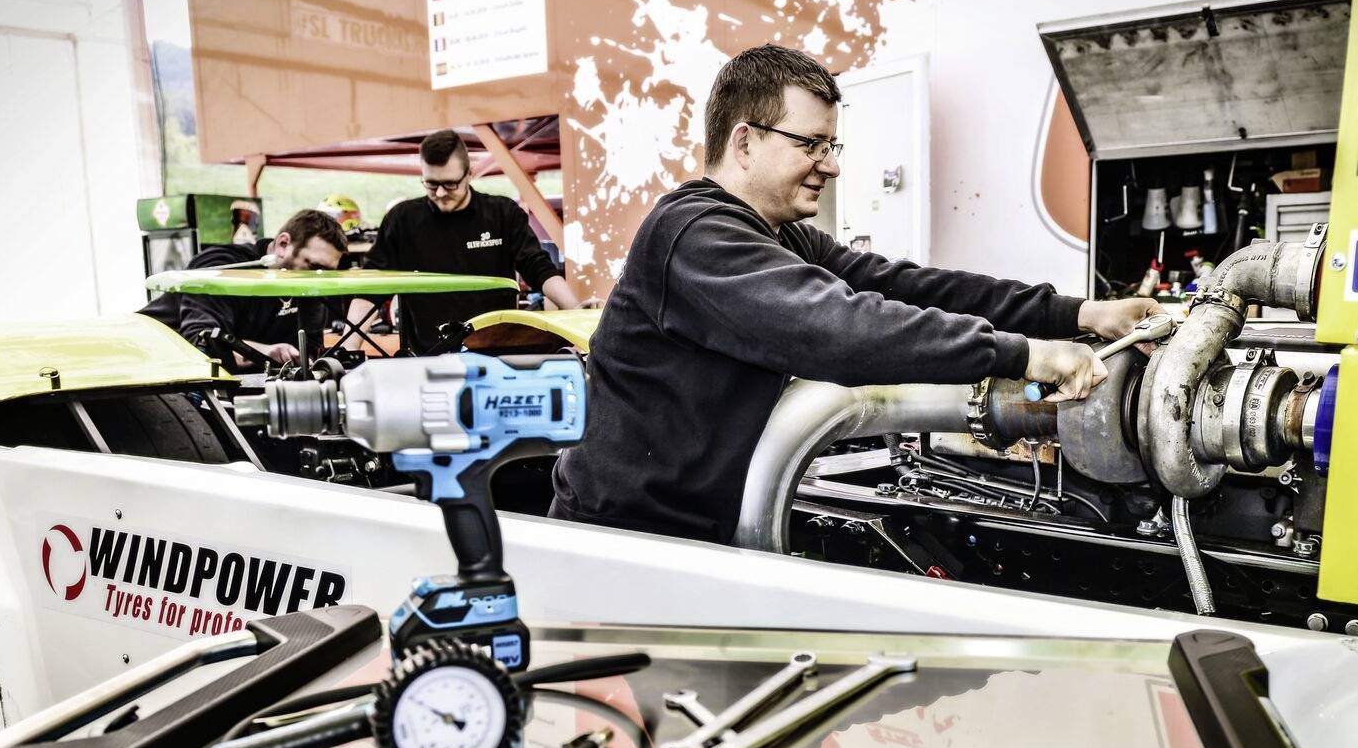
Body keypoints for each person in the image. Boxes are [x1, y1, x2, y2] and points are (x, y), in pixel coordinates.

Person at [550, 44, 1155, 544]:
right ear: (744, 142)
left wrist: (1079, 313)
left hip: (693, 533)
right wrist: (1024, 355)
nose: (830, 165)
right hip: (624, 540)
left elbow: (912, 286)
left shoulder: (782, 237)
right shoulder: (694, 235)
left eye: (830, 147)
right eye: (810, 145)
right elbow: (837, 329)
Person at [347, 130, 584, 352]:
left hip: (496, 352)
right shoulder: (402, 220)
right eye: (431, 184)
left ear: (469, 174)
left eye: (450, 184)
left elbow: (539, 269)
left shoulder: (503, 214)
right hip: (429, 355)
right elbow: (370, 289)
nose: (441, 193)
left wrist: (578, 314)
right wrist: (346, 351)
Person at [141, 208, 347, 365]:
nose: (319, 277)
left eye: (328, 271)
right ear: (283, 244)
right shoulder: (222, 266)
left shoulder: (309, 281)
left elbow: (309, 350)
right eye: (313, 266)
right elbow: (202, 343)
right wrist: (267, 352)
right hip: (148, 361)